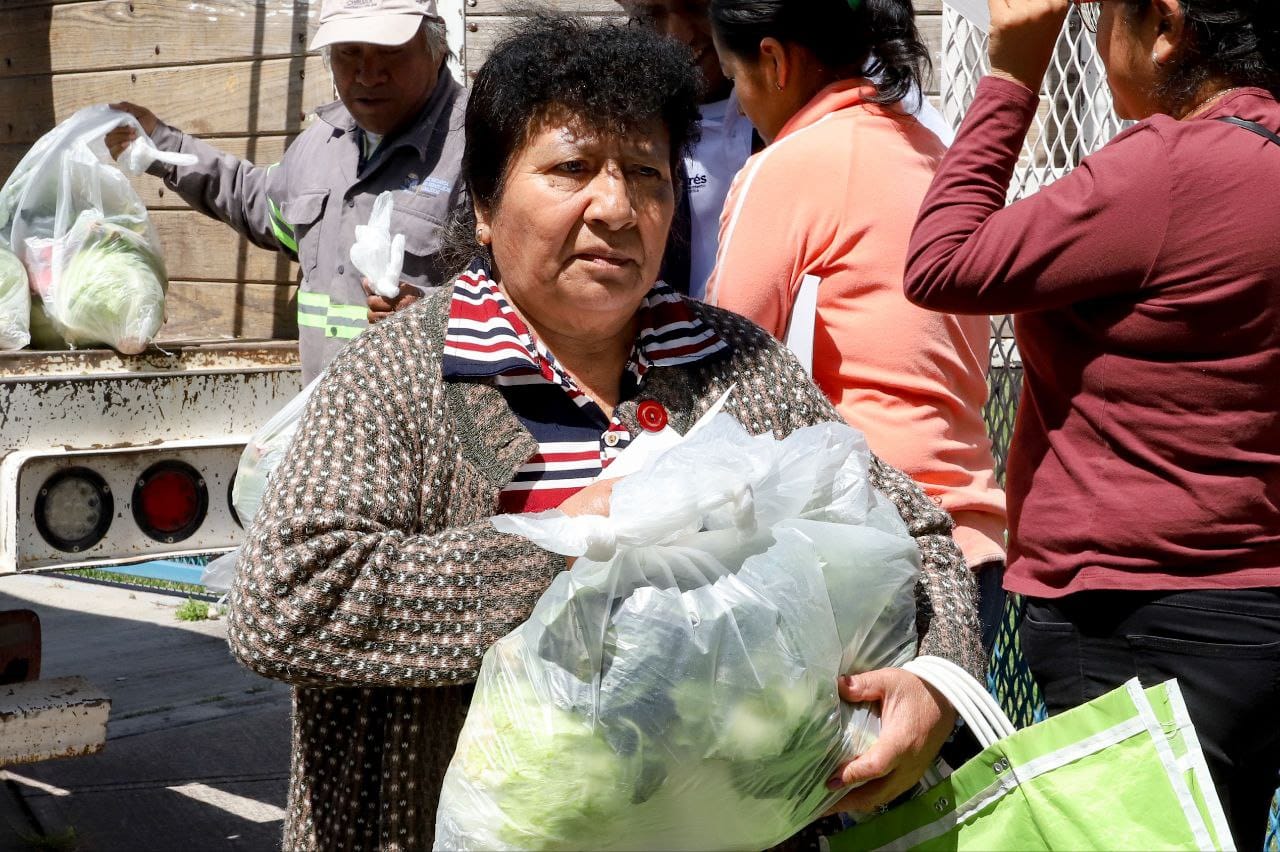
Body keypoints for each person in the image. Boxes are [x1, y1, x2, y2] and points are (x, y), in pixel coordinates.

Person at [226, 14, 983, 849]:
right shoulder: (407, 378)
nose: (618, 208)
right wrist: (561, 547)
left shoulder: (732, 362)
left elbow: (914, 526)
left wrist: (936, 676)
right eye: (574, 168)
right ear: (483, 203)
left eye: (647, 174)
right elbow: (283, 603)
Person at [903, 0, 1280, 847]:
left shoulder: (1173, 169)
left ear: (1168, 23)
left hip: (1135, 616)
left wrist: (1011, 73)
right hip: (1255, 612)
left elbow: (940, 260)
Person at [704, 0, 1009, 649]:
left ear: (774, 61)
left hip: (862, 559)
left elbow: (718, 375)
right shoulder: (938, 154)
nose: (740, 105)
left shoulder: (789, 166)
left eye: (734, 80)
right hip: (974, 547)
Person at [105, 0, 465, 383]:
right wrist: (163, 146)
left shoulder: (483, 146)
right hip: (327, 427)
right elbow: (257, 201)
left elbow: (525, 307)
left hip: (431, 434)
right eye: (349, 52)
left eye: (390, 50)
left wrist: (433, 320)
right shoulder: (324, 142)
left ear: (437, 43)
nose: (368, 74)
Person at [622, 0, 955, 301]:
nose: (676, 36)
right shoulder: (621, 111)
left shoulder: (887, 106)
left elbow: (737, 334)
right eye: (650, 14)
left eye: (695, 8)